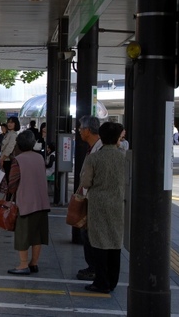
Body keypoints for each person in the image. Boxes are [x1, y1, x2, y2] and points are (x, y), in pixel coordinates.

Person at [80, 122, 126, 293]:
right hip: (117, 203)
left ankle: (101, 281)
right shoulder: (124, 157)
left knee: (99, 242)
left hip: (98, 203)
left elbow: (86, 182)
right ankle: (113, 281)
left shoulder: (94, 158)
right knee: (114, 241)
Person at [5, 130, 51, 275]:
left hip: (26, 203)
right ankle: (34, 263)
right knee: (37, 235)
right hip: (42, 202)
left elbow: (12, 184)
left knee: (23, 235)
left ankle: (23, 264)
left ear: (18, 144)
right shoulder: (39, 158)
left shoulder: (18, 160)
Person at [76, 115, 103, 281]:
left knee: (91, 236)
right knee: (86, 234)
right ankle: (92, 266)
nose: (79, 131)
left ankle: (95, 268)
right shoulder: (92, 148)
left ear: (88, 130)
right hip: (88, 199)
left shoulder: (100, 150)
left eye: (80, 128)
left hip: (95, 200)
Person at [0, 116, 21, 196]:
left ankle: (9, 200)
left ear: (16, 124)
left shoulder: (13, 135)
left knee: (9, 180)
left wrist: (3, 158)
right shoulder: (8, 134)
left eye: (12, 122)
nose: (9, 124)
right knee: (6, 180)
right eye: (8, 122)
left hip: (8, 161)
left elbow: (10, 148)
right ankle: (9, 199)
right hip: (5, 160)